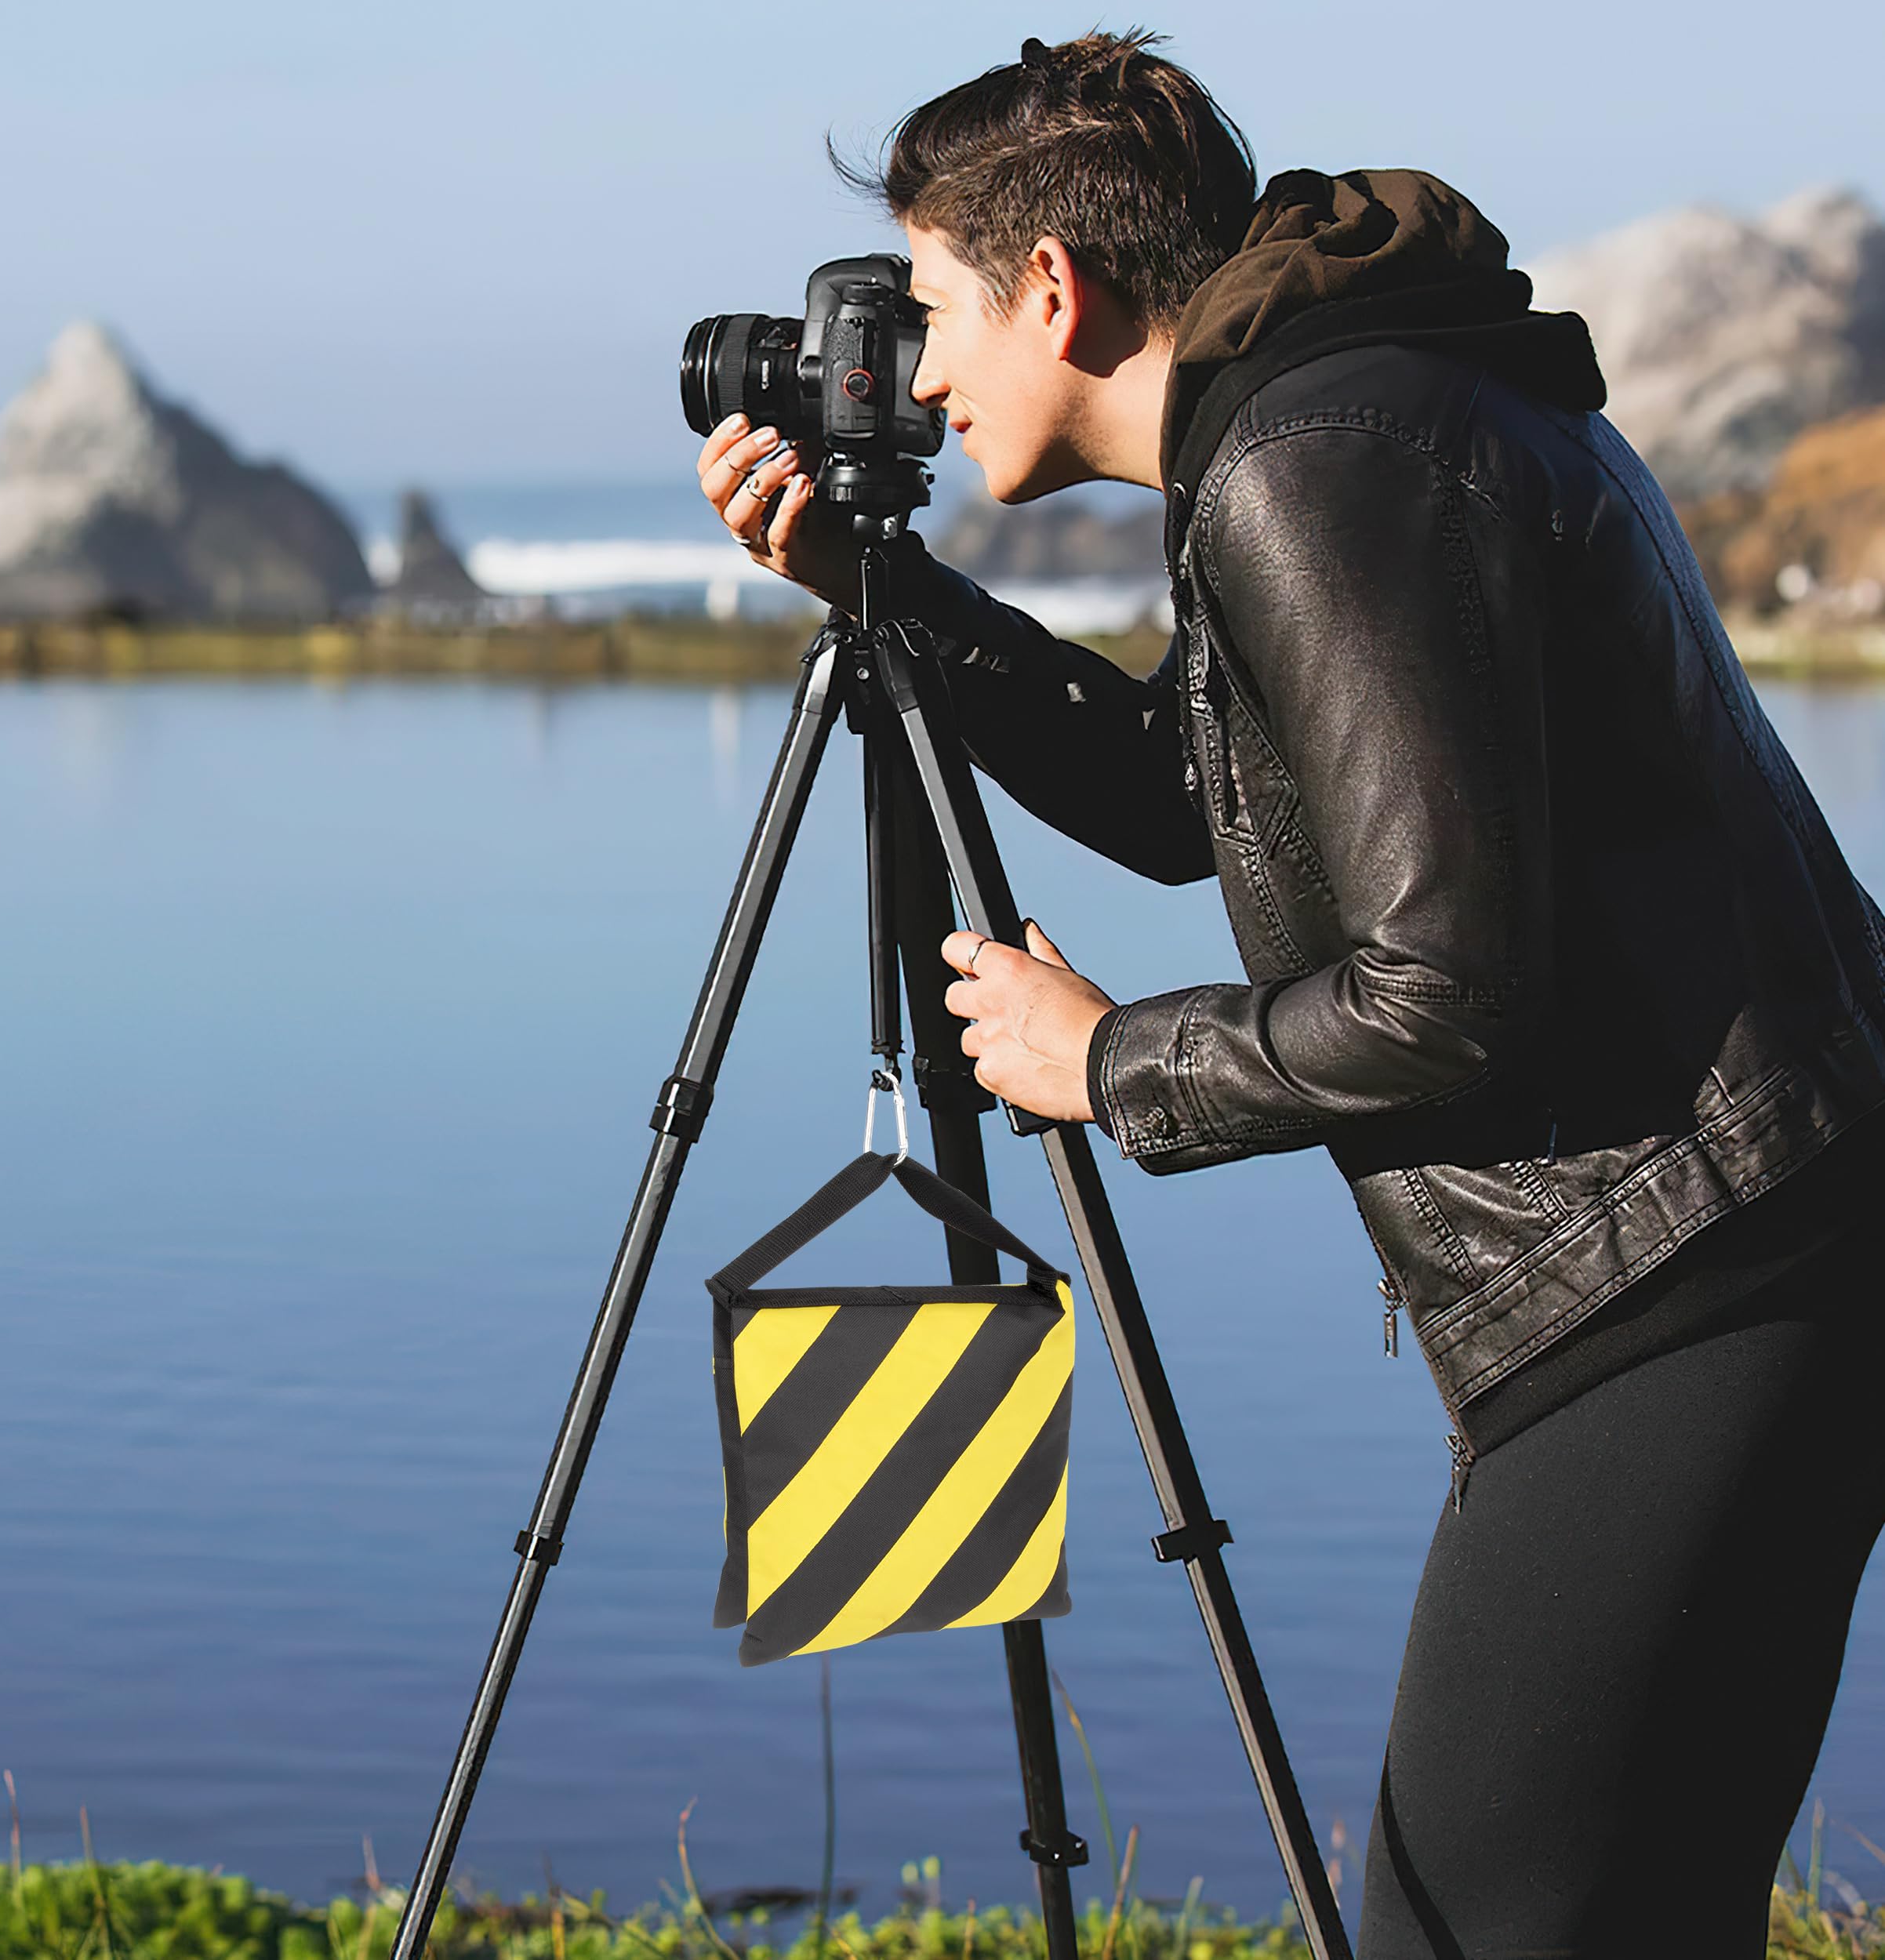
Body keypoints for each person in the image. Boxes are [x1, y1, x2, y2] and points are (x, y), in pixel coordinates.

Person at [692, 31, 1885, 1958]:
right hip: (1758, 1237)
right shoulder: (1345, 407)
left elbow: (1443, 991)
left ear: (1051, 289)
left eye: (931, 308)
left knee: (1462, 1925)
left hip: (1679, 1276)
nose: (911, 374)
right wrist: (874, 586)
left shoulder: (1311, 460)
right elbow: (1193, 801)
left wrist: (1109, 1058)